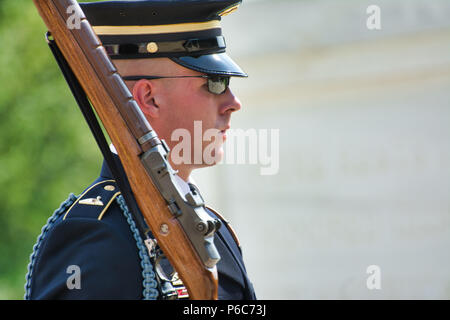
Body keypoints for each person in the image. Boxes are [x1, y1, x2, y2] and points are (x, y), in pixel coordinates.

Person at [24, 0, 256, 300]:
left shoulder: (219, 235)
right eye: (215, 82)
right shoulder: (95, 237)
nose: (233, 103)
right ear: (149, 97)